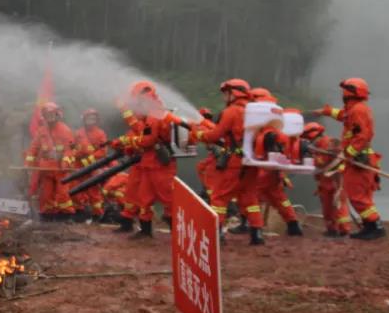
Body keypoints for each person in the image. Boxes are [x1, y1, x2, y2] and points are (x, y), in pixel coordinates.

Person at [189, 78, 266, 245]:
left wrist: (199, 134)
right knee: (250, 198)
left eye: (226, 94)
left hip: (235, 162)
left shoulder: (232, 112)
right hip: (252, 162)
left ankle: (217, 234)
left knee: (219, 197)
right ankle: (257, 234)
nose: (224, 97)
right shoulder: (255, 112)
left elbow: (215, 135)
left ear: (234, 93)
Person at [113, 81, 181, 239]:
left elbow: (148, 140)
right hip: (149, 163)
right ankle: (145, 231)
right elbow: (138, 129)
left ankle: (177, 231)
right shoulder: (149, 115)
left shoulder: (154, 115)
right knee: (144, 197)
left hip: (160, 164)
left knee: (168, 197)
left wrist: (130, 142)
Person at [320, 78, 386, 240]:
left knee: (358, 196)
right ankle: (370, 226)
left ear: (349, 93)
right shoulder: (355, 109)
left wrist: (347, 153)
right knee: (359, 195)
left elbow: (363, 136)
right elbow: (344, 116)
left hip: (360, 160)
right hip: (358, 159)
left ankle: (375, 226)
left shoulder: (358, 110)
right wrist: (328, 112)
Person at [237, 88, 303, 236]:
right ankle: (293, 224)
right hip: (274, 170)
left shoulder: (265, 131)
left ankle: (248, 224)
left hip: (262, 169)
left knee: (248, 195)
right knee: (279, 197)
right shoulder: (277, 128)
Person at [24, 102, 77, 221]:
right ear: (44, 116)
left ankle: (65, 216)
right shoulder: (41, 131)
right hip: (46, 168)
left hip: (60, 168)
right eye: (47, 114)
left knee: (62, 194)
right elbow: (33, 148)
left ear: (58, 114)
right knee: (46, 194)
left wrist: (65, 163)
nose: (50, 116)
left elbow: (70, 150)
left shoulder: (65, 130)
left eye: (52, 114)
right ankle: (47, 216)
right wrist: (28, 164)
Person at [302, 122, 351, 237]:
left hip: (336, 179)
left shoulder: (331, 143)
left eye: (310, 139)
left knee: (339, 205)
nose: (310, 142)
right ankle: (331, 229)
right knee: (327, 207)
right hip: (324, 182)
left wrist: (313, 158)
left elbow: (325, 162)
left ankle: (344, 230)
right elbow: (319, 166)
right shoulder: (315, 147)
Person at [72, 108, 109, 221]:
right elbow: (72, 148)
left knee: (94, 192)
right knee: (77, 190)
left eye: (93, 118)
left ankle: (97, 215)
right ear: (84, 119)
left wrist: (89, 160)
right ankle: (80, 213)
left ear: (96, 120)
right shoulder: (78, 133)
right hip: (78, 167)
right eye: (89, 118)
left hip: (92, 167)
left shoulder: (100, 133)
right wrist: (77, 153)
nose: (91, 120)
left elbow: (103, 151)